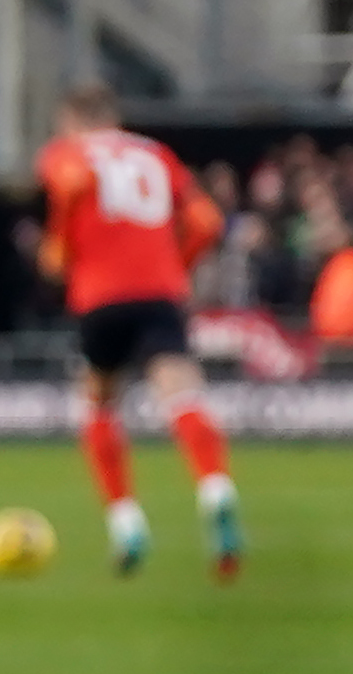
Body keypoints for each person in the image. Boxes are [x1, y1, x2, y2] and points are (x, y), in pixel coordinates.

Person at [31, 84, 247, 579]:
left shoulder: (66, 153)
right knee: (183, 396)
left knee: (99, 403)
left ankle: (125, 523)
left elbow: (65, 201)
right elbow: (206, 222)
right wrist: (177, 268)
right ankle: (216, 490)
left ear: (73, 121)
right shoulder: (156, 154)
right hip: (160, 292)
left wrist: (59, 251)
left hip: (100, 295)